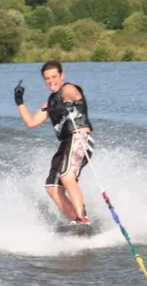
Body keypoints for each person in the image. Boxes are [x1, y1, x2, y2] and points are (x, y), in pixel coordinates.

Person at [15, 61, 95, 224]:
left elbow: (69, 93)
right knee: (52, 187)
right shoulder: (50, 102)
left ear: (61, 76)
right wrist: (19, 102)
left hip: (79, 138)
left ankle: (82, 218)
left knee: (67, 176)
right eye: (47, 78)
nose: (51, 81)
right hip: (65, 144)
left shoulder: (69, 88)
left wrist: (67, 102)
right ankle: (74, 220)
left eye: (54, 77)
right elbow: (31, 123)